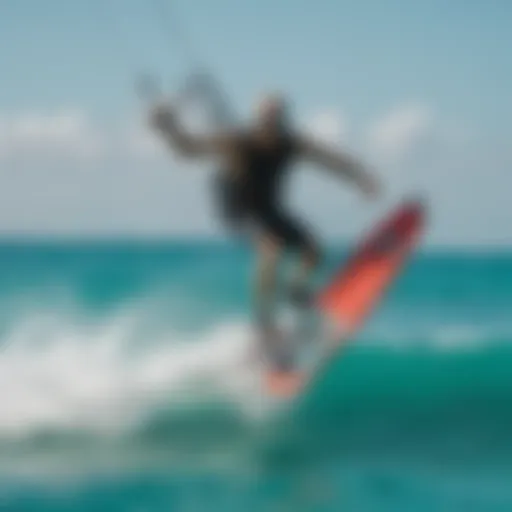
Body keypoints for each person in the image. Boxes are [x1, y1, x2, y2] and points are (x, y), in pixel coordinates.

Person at [149, 92, 380, 369]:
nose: (274, 123)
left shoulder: (289, 144)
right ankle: (264, 327)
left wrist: (360, 177)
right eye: (269, 118)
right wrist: (167, 126)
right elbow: (188, 149)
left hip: (270, 210)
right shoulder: (238, 142)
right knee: (272, 247)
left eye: (279, 118)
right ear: (259, 120)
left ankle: (295, 291)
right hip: (239, 211)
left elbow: (328, 160)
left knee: (312, 249)